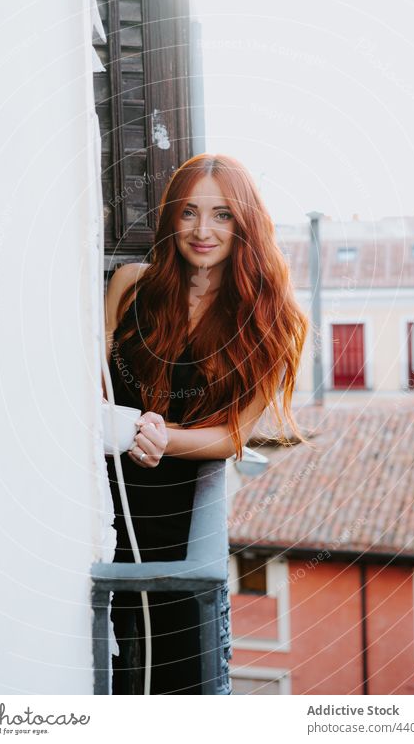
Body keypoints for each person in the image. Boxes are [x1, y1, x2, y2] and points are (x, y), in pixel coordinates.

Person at [102, 153, 309, 694]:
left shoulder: (268, 322)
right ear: (171, 216)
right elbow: (93, 388)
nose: (201, 230)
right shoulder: (128, 286)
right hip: (96, 506)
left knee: (173, 681)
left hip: (176, 526)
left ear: (245, 225)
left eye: (222, 215)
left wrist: (166, 441)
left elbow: (232, 435)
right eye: (189, 211)